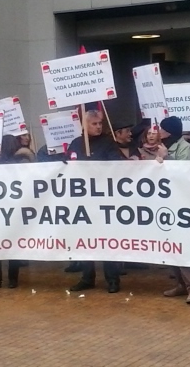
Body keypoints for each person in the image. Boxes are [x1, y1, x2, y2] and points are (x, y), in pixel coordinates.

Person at [67, 110, 125, 293]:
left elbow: (117, 165)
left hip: (103, 199)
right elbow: (66, 166)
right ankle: (87, 277)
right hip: (82, 200)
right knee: (85, 239)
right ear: (84, 125)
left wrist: (95, 165)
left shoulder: (108, 143)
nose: (99, 126)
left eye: (100, 123)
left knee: (106, 239)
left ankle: (112, 279)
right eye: (94, 123)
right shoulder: (76, 144)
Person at [157, 117, 190, 304]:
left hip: (184, 204)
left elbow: (184, 175)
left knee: (184, 247)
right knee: (171, 246)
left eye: (162, 129)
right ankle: (181, 284)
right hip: (168, 203)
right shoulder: (163, 147)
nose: (158, 132)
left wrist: (166, 158)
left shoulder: (185, 148)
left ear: (169, 131)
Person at [0, 135, 31, 289]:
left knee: (0, 244)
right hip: (10, 208)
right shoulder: (15, 159)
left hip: (4, 208)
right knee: (9, 244)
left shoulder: (17, 160)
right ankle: (10, 279)